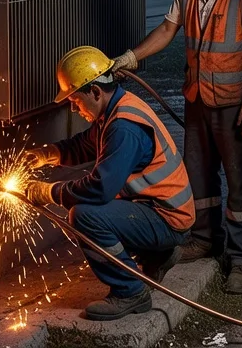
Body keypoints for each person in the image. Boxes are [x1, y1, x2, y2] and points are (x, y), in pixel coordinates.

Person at [108, 0, 242, 295]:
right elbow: (168, 29)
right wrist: (131, 57)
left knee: (240, 183)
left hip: (233, 103)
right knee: (199, 175)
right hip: (197, 100)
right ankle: (204, 238)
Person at [23, 46, 195, 321]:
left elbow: (99, 189)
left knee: (85, 215)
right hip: (161, 208)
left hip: (167, 217)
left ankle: (130, 292)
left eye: (75, 100)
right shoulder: (116, 107)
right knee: (101, 209)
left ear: (94, 92)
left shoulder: (124, 128)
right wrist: (49, 154)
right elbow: (86, 144)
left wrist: (50, 192)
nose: (73, 107)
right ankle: (158, 255)